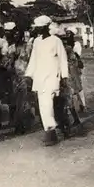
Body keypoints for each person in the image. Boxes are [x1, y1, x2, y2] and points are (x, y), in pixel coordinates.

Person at [25, 15, 69, 146]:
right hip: (39, 77)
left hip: (52, 77)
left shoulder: (56, 41)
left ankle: (51, 131)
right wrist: (28, 75)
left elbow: (63, 59)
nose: (37, 30)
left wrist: (64, 77)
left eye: (39, 27)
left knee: (48, 104)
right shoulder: (37, 41)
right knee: (43, 104)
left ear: (45, 27)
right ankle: (52, 129)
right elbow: (33, 59)